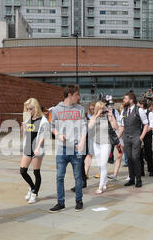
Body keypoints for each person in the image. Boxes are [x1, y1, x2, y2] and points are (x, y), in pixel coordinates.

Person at [50, 84, 87, 212]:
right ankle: (60, 203)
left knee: (78, 177)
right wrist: (58, 135)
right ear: (70, 95)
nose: (79, 96)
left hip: (76, 148)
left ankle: (79, 200)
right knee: (59, 177)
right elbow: (52, 127)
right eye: (77, 94)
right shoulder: (56, 109)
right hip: (62, 149)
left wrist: (82, 142)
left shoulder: (80, 109)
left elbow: (84, 127)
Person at [20, 98, 49, 204]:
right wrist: (23, 128)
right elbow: (25, 134)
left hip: (37, 149)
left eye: (31, 109)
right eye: (27, 109)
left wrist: (37, 148)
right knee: (23, 171)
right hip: (27, 148)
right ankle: (32, 188)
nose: (29, 111)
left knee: (36, 172)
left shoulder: (43, 120)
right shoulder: (28, 117)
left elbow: (43, 136)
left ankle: (35, 193)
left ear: (36, 107)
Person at [118, 92, 149, 188]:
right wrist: (118, 136)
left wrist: (141, 137)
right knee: (130, 159)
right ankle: (131, 179)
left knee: (135, 158)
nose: (124, 100)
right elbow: (122, 125)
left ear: (131, 100)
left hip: (136, 137)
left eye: (125, 98)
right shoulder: (124, 111)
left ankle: (138, 180)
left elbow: (146, 124)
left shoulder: (139, 110)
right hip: (126, 137)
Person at [88, 101, 118, 193]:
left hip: (106, 143)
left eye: (103, 108)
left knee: (103, 164)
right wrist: (97, 116)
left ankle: (100, 186)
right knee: (99, 164)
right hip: (96, 143)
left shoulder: (107, 117)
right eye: (100, 108)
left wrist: (111, 116)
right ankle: (104, 181)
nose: (102, 110)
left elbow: (115, 127)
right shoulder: (93, 117)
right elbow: (89, 128)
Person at [138, 97, 153, 177]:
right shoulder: (137, 113)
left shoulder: (150, 113)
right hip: (139, 135)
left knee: (148, 152)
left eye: (138, 104)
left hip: (147, 135)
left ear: (142, 105)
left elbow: (152, 125)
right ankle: (141, 171)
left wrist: (144, 132)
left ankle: (150, 170)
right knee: (140, 154)